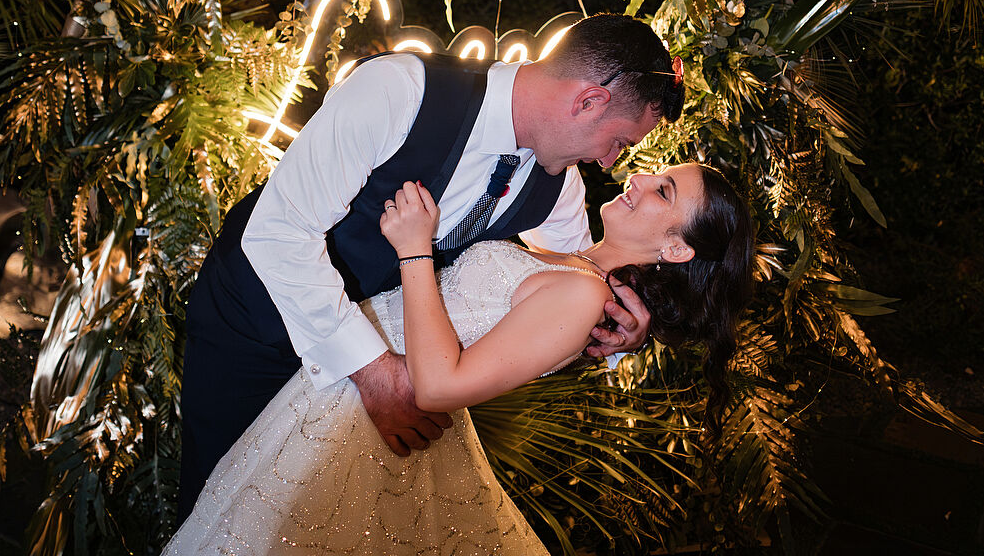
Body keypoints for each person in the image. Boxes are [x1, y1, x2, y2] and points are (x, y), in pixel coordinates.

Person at [178, 14, 684, 524]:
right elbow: (278, 233)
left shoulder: (560, 188)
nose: (607, 162)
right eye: (618, 142)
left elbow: (576, 284)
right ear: (588, 102)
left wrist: (619, 332)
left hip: (350, 401)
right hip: (255, 331)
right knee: (223, 516)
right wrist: (374, 373)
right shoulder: (398, 91)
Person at [165, 162, 755, 555]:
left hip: (364, 422)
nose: (638, 177)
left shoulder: (583, 294)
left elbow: (441, 387)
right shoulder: (574, 263)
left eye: (664, 192)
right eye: (656, 172)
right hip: (334, 396)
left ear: (677, 248)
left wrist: (415, 249)